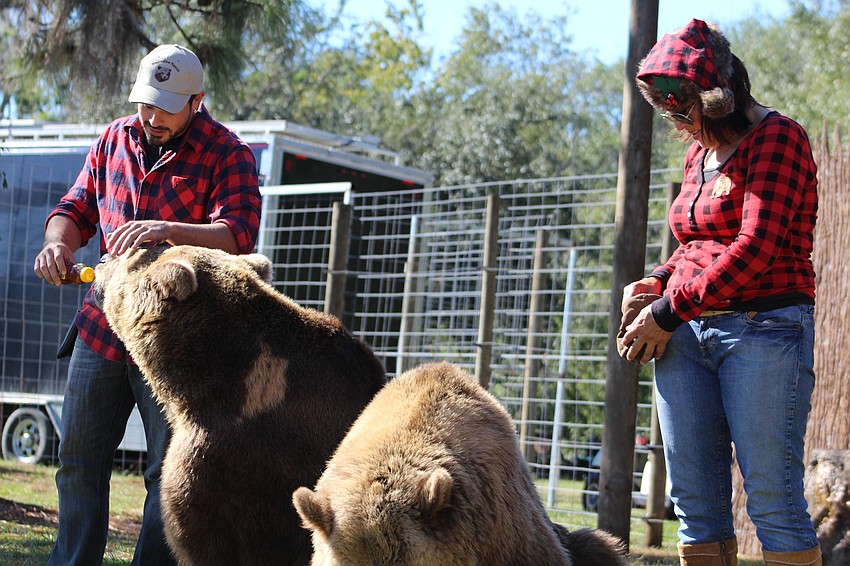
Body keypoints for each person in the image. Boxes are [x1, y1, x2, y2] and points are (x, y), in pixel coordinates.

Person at [33, 44, 262, 565]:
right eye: (145, 103)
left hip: (178, 342)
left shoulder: (229, 153)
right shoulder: (114, 136)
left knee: (168, 470)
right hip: (102, 326)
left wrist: (167, 231)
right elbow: (75, 206)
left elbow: (239, 234)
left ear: (197, 100)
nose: (152, 116)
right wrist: (59, 243)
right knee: (78, 460)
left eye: (165, 106)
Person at [619, 19, 821, 566]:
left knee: (773, 500)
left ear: (718, 96)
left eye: (685, 109)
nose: (680, 123)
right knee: (695, 504)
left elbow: (754, 249)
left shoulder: (779, 138)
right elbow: (694, 244)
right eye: (669, 112)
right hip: (686, 329)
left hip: (765, 330)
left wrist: (666, 309)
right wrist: (658, 281)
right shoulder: (697, 155)